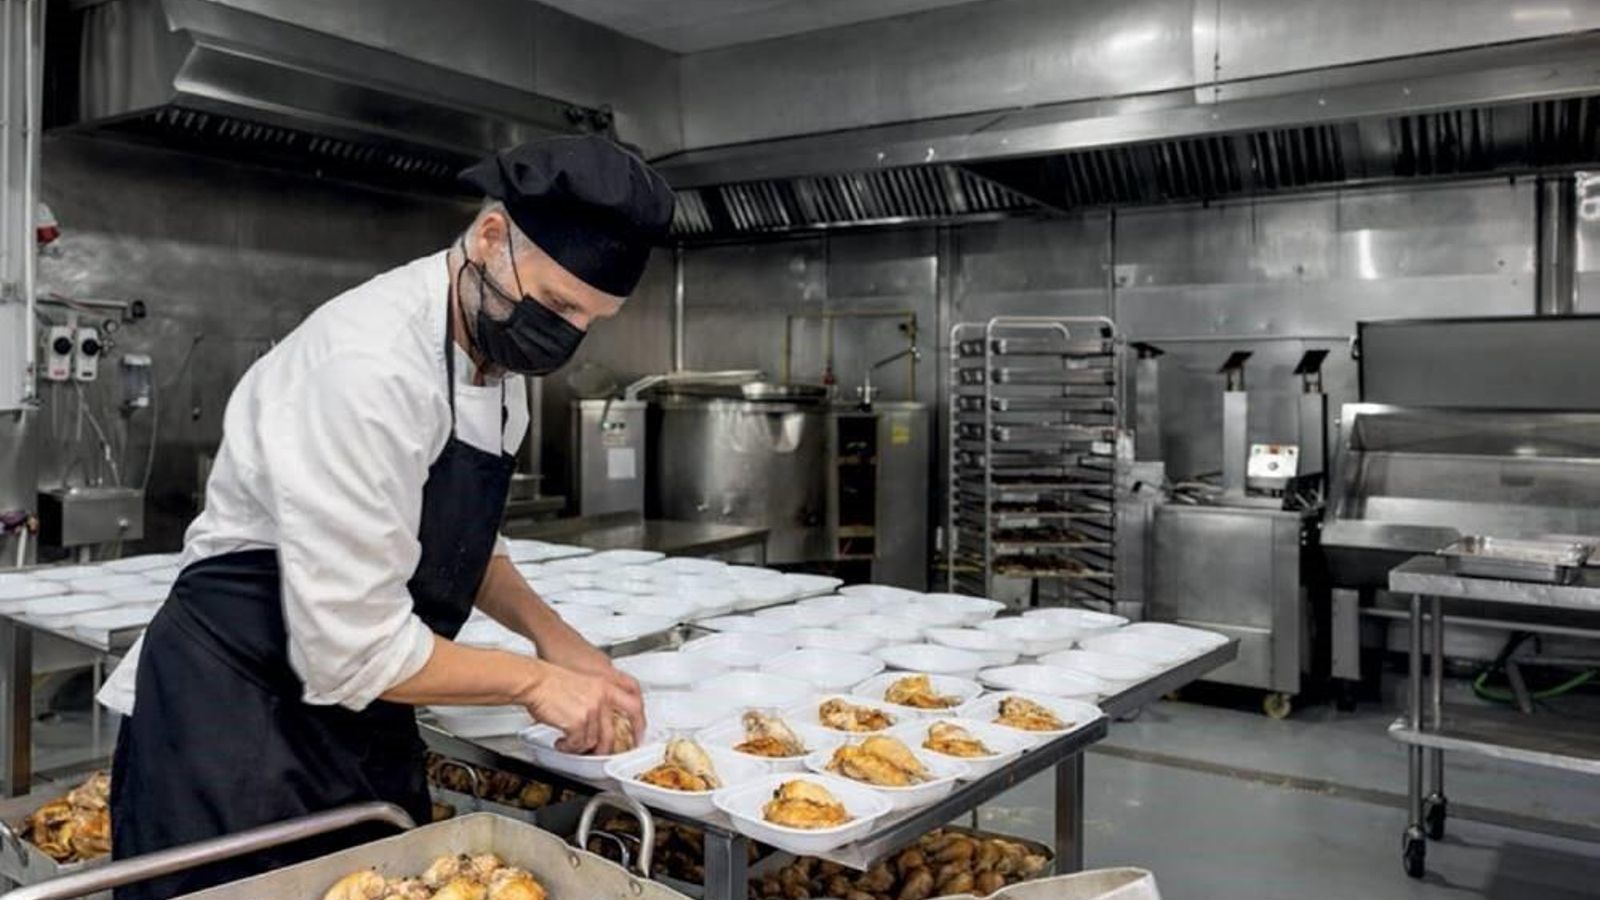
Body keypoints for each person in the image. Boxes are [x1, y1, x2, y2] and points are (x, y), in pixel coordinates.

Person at [96, 135, 675, 899]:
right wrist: (533, 683)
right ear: (492, 237)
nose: (567, 335)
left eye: (590, 319)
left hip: (363, 713)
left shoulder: (495, 356)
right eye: (560, 305)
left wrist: (560, 641)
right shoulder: (367, 365)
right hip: (239, 714)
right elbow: (355, 650)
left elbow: (464, 541)